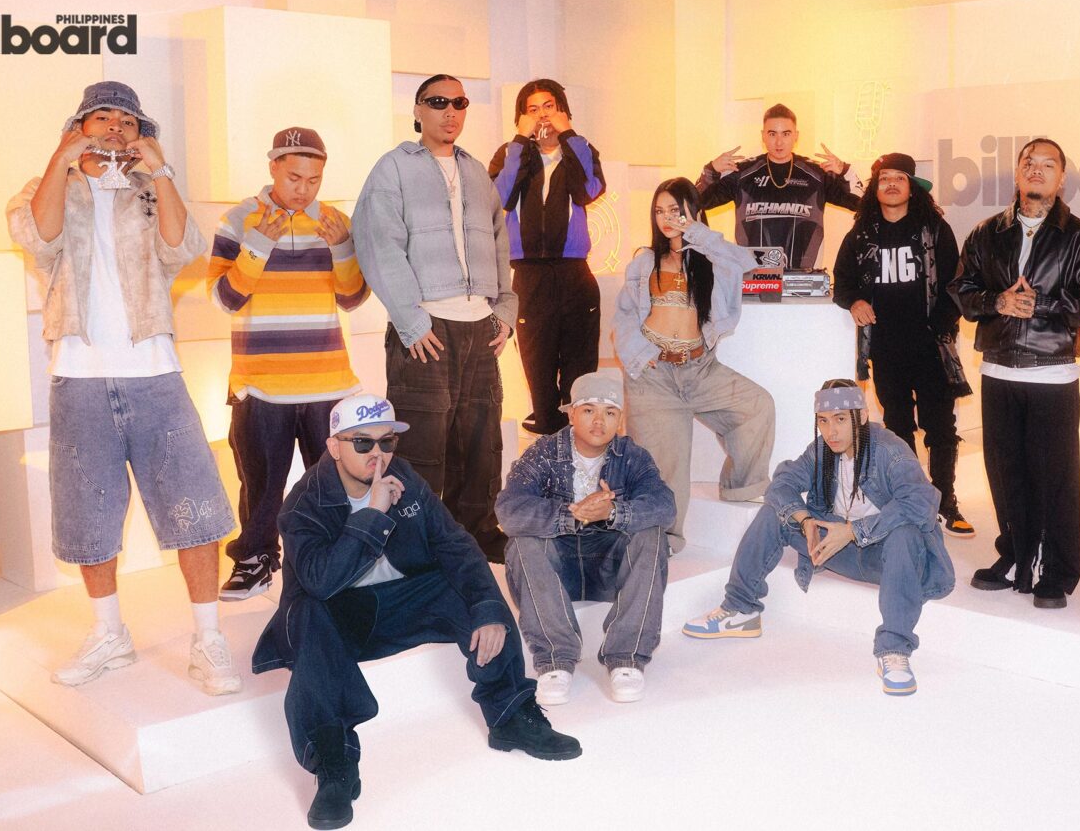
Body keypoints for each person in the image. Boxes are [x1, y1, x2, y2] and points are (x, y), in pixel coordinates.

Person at [5, 81, 239, 695]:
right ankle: (109, 632)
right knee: (88, 514)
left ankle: (208, 639)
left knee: (194, 508)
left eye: (128, 121)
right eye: (101, 117)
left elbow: (181, 249)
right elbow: (39, 237)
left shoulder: (149, 189)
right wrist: (61, 159)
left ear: (142, 134)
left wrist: (160, 172)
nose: (114, 126)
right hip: (78, 375)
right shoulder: (46, 188)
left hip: (155, 372)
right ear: (79, 126)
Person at [252, 393, 580, 830]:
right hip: (339, 618)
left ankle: (510, 715)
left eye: (387, 442)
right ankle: (333, 764)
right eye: (362, 443)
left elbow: (454, 544)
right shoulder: (304, 502)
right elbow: (320, 582)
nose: (378, 454)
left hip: (402, 603)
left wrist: (486, 610)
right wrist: (373, 513)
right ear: (333, 447)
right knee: (310, 612)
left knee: (472, 585)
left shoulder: (404, 476)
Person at [682, 379, 955, 696]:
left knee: (905, 533)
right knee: (774, 513)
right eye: (823, 421)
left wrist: (852, 531)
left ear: (862, 416)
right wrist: (806, 520)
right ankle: (741, 609)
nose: (831, 431)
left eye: (840, 419)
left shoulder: (890, 450)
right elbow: (781, 484)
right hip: (836, 549)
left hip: (889, 559)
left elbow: (921, 503)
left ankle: (894, 650)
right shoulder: (822, 450)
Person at [353, 73, 516, 562]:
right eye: (438, 101)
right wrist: (410, 319)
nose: (450, 111)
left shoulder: (476, 172)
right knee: (422, 445)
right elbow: (379, 243)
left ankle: (476, 532)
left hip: (479, 325)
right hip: (427, 326)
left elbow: (500, 242)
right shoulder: (393, 168)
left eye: (459, 102)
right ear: (418, 110)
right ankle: (416, 543)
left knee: (481, 440)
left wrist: (504, 310)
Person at [950, 138, 1080, 609]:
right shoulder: (986, 233)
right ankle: (1015, 555)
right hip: (998, 368)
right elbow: (961, 289)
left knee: (1055, 478)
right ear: (1018, 173)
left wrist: (1041, 305)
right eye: (1029, 162)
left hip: (1052, 373)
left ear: (1061, 179)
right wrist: (997, 301)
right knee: (1005, 474)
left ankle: (1057, 570)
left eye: (1047, 164)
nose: (1036, 170)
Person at [209, 127, 368, 601]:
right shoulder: (239, 220)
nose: (304, 189)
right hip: (260, 383)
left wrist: (343, 248)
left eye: (314, 180)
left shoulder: (334, 221)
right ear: (273, 167)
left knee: (334, 485)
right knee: (261, 485)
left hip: (327, 381)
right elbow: (225, 299)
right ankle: (256, 560)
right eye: (294, 177)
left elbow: (353, 298)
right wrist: (257, 246)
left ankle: (337, 566)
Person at [614, 178, 775, 553]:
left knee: (757, 406)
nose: (666, 218)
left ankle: (741, 487)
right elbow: (623, 318)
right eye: (659, 211)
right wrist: (642, 356)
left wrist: (696, 233)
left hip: (701, 369)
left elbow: (746, 262)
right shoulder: (644, 262)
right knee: (664, 468)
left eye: (675, 210)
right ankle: (662, 539)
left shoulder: (710, 259)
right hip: (653, 378)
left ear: (694, 212)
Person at [497, 372, 675, 704]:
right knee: (522, 542)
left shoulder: (632, 455)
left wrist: (613, 512)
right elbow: (509, 510)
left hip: (610, 568)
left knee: (651, 534)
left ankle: (626, 658)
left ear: (620, 419)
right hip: (557, 571)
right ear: (571, 414)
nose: (599, 421)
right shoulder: (543, 453)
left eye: (610, 412)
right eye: (589, 410)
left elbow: (665, 507)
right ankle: (555, 660)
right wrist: (572, 514)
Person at [832, 152, 974, 537]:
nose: (891, 184)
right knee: (897, 427)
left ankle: (945, 501)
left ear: (912, 187)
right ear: (875, 188)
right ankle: (911, 498)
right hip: (885, 348)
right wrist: (855, 302)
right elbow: (842, 283)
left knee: (940, 427)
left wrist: (938, 326)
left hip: (931, 348)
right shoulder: (861, 234)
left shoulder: (934, 229)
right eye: (884, 178)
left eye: (899, 178)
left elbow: (956, 284)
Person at [488, 79, 607, 436]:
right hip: (529, 275)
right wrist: (520, 141)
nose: (542, 115)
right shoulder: (510, 153)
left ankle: (579, 435)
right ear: (521, 117)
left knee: (579, 367)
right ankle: (547, 429)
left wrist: (569, 135)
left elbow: (589, 190)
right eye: (533, 109)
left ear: (563, 112)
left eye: (549, 106)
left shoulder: (579, 149)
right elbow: (498, 198)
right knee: (537, 363)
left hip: (575, 273)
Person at [696, 103, 861, 269]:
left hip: (804, 279)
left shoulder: (818, 174)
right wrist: (711, 171)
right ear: (763, 136)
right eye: (772, 134)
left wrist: (845, 171)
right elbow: (697, 203)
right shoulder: (741, 173)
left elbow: (861, 203)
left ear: (796, 136)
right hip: (751, 277)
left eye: (786, 134)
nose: (779, 142)